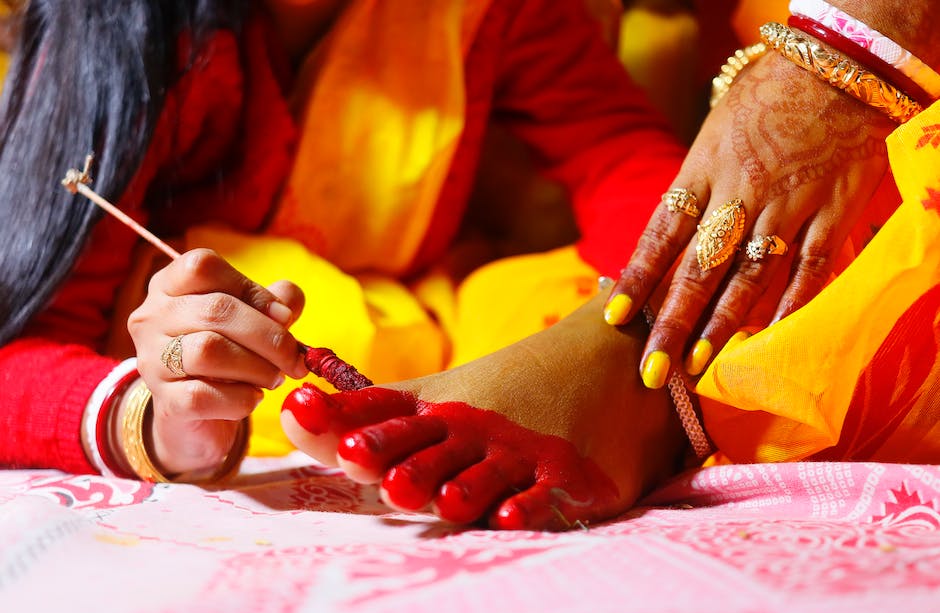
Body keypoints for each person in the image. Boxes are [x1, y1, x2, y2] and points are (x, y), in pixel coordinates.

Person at [279, 0, 940, 530]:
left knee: (817, 244)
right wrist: (176, 394)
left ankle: (645, 373)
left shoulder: (492, 12)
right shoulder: (180, 49)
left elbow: (615, 154)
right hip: (267, 320)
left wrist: (640, 302)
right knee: (499, 305)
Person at [0, 1, 688, 486]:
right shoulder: (120, 26)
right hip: (197, 381)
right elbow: (15, 356)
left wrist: (615, 336)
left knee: (634, 297)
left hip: (435, 335)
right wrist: (159, 420)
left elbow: (620, 156)